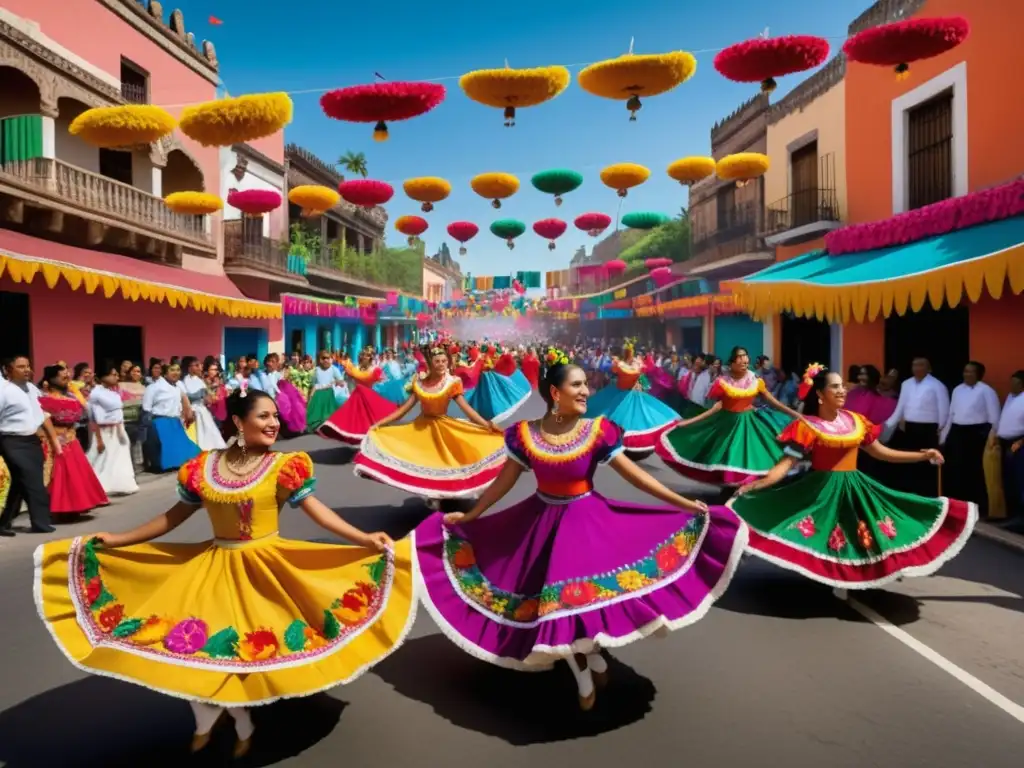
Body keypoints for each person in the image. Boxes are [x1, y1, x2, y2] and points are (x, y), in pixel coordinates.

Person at [34, 389, 415, 757]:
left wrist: (363, 538)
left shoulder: (284, 466)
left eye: (275, 416)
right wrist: (119, 539)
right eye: (264, 416)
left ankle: (239, 720)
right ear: (238, 421)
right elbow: (172, 518)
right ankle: (216, 718)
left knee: (248, 649)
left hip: (266, 571)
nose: (273, 423)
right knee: (195, 645)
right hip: (214, 566)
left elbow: (319, 511)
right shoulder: (202, 468)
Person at [413, 354, 747, 709]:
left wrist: (680, 502)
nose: (586, 391)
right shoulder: (525, 435)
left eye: (586, 384)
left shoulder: (597, 430)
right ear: (555, 393)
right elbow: (503, 483)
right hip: (540, 524)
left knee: (585, 599)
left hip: (588, 523)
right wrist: (472, 516)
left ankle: (590, 658)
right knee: (556, 602)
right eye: (577, 385)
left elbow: (636, 476)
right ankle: (582, 663)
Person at [729, 365, 976, 597]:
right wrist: (754, 485)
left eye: (842, 386)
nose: (842, 390)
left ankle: (849, 580)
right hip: (821, 490)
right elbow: (784, 466)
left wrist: (922, 455)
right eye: (834, 387)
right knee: (826, 536)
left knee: (860, 535)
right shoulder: (808, 427)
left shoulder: (856, 422)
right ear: (820, 394)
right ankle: (833, 580)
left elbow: (882, 453)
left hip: (854, 487)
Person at [354, 345, 505, 505]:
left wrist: (487, 424)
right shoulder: (419, 383)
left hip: (442, 426)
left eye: (444, 361)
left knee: (445, 464)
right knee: (423, 462)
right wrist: (379, 424)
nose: (441, 364)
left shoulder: (452, 383)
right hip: (421, 429)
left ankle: (443, 497)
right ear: (431, 364)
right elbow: (403, 410)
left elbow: (467, 409)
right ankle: (434, 496)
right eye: (438, 361)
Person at [657, 346, 801, 486]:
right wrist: (689, 422)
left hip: (750, 424)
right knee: (726, 458)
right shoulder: (722, 382)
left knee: (752, 457)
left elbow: (772, 401)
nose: (744, 360)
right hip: (726, 425)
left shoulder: (755, 380)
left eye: (745, 357)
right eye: (739, 357)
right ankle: (730, 490)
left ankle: (747, 489)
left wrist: (796, 414)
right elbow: (716, 407)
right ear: (732, 362)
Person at [583, 341, 680, 457]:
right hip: (619, 392)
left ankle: (625, 439)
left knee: (633, 417)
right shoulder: (621, 364)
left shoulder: (633, 363)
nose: (630, 353)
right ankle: (611, 437)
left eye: (630, 351)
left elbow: (637, 373)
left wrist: (636, 374)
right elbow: (616, 370)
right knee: (612, 415)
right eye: (627, 351)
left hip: (631, 394)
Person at [38, 365, 108, 515]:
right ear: (51, 379)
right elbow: (43, 421)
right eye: (63, 377)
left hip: (71, 438)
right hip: (53, 441)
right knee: (59, 476)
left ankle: (76, 506)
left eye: (67, 377)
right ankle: (60, 508)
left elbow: (83, 416)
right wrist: (54, 438)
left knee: (75, 475)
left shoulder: (72, 398)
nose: (66, 379)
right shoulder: (43, 399)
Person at [0, 356, 58, 535]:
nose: (26, 370)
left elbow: (41, 414)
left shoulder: (32, 389)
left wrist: (52, 439)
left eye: (28, 366)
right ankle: (41, 522)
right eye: (20, 367)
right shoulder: (4, 391)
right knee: (33, 482)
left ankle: (3, 522)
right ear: (8, 371)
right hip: (12, 441)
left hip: (31, 440)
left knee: (19, 483)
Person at [883, 358, 950, 497]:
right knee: (910, 462)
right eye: (914, 365)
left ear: (929, 368)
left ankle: (929, 495)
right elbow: (900, 406)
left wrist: (942, 429)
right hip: (911, 428)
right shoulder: (906, 384)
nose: (917, 368)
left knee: (927, 464)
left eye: (921, 365)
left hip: (930, 430)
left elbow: (944, 409)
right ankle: (912, 494)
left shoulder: (937, 385)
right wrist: (887, 425)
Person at [941, 362, 1001, 511]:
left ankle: (977, 505)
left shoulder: (986, 391)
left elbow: (994, 416)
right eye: (965, 371)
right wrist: (943, 437)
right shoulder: (957, 390)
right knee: (956, 468)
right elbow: (951, 413)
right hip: (957, 432)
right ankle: (958, 504)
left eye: (971, 372)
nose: (967, 374)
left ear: (979, 374)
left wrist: (993, 437)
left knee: (975, 470)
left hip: (977, 434)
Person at [318, 350, 397, 445]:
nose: (364, 357)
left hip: (370, 398)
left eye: (367, 356)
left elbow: (383, 382)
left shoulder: (375, 369)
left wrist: (378, 387)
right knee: (358, 423)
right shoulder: (355, 368)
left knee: (374, 423)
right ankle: (361, 441)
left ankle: (374, 443)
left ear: (370, 358)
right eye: (363, 355)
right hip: (358, 398)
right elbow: (349, 380)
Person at [87, 366, 138, 496]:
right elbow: (93, 417)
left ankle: (121, 483)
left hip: (117, 428)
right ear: (103, 377)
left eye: (116, 375)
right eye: (113, 375)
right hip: (104, 430)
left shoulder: (113, 392)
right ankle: (99, 486)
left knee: (119, 457)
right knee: (103, 459)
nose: (116, 377)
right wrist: (98, 438)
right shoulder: (96, 393)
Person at [141, 363, 199, 473]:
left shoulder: (177, 388)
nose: (176, 372)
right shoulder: (153, 387)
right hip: (159, 422)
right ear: (165, 372)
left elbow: (182, 404)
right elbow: (146, 408)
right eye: (172, 370)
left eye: (178, 370)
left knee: (191, 456)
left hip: (175, 422)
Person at [462, 344, 531, 423]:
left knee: (488, 395)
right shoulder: (484, 358)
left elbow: (488, 366)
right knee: (489, 394)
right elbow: (488, 366)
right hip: (487, 378)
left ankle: (487, 412)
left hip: (487, 378)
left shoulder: (484, 358)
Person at [993, 370, 1024, 528]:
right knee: (1009, 481)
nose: (1011, 385)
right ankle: (1012, 516)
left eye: (1015, 383)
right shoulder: (1011, 398)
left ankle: (1021, 519)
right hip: (1006, 443)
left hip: (1018, 444)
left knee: (1020, 481)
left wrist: (1020, 442)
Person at [180, 356, 227, 451]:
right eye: (196, 365)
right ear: (189, 368)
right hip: (193, 411)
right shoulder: (185, 381)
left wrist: (209, 397)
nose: (199, 367)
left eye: (199, 365)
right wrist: (202, 393)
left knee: (210, 434)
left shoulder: (199, 380)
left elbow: (206, 396)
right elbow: (187, 396)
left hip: (202, 410)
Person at [305, 350, 345, 432]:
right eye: (323, 358)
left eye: (328, 358)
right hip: (317, 396)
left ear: (331, 359)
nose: (326, 360)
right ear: (320, 359)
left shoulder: (334, 369)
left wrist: (336, 382)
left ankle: (327, 427)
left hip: (329, 394)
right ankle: (317, 427)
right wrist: (309, 397)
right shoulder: (316, 370)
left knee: (329, 414)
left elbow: (342, 382)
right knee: (314, 415)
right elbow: (313, 384)